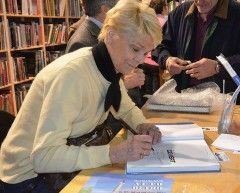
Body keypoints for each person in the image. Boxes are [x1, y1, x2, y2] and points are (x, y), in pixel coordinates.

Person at [0, 1, 162, 193]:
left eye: (145, 52)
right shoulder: (72, 75)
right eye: (135, 49)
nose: (141, 60)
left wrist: (143, 125)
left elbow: (125, 108)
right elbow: (43, 157)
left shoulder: (108, 66)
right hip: (28, 178)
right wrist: (114, 153)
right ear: (110, 35)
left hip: (57, 167)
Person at [152, 0, 240, 100]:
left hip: (225, 100)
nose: (200, 1)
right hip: (184, 97)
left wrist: (218, 67)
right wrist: (167, 60)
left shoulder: (236, 13)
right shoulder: (180, 13)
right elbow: (159, 46)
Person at [66, 0, 146, 107]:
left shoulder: (108, 32)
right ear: (106, 10)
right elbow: (81, 98)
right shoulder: (82, 42)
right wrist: (124, 84)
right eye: (120, 8)